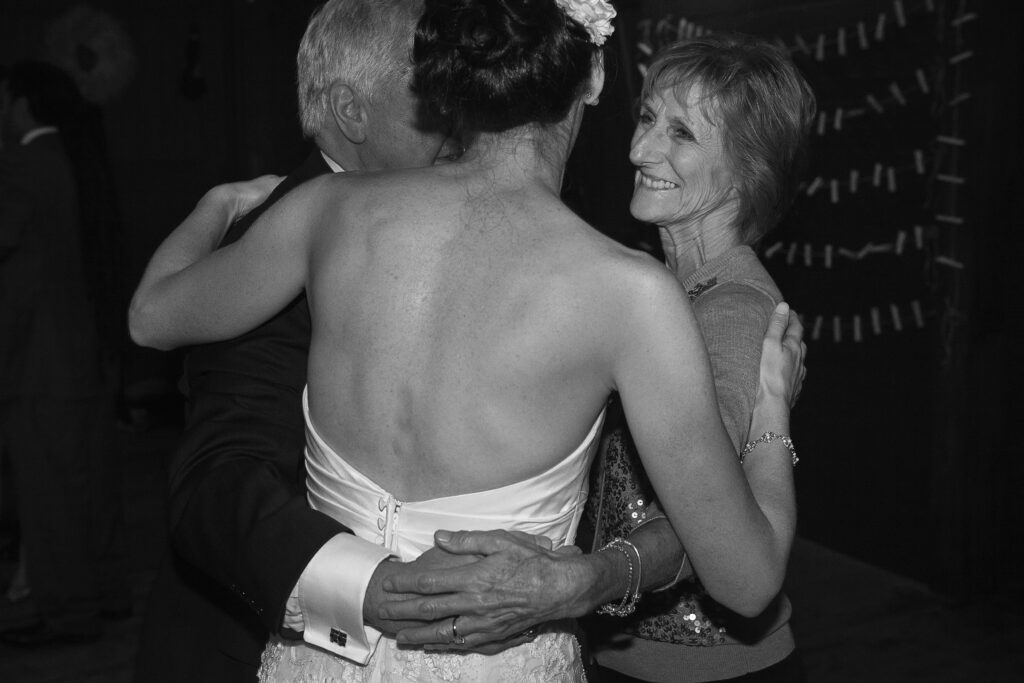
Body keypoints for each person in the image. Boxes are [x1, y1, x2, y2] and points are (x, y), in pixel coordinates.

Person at [130, 0, 803, 680]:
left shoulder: (324, 212)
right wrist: (772, 425)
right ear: (593, 76)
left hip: (321, 654)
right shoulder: (629, 294)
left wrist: (216, 205)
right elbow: (746, 582)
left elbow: (151, 317)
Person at [584, 34, 815, 682]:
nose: (639, 149)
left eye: (679, 132)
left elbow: (709, 518)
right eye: (648, 118)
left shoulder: (735, 309)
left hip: (709, 670)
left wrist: (579, 580)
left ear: (748, 170)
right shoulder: (666, 287)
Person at [0, 60, 131, 646]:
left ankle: (69, 613)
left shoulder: (22, 165)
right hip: (88, 351)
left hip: (39, 360)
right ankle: (104, 594)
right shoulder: (77, 157)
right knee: (90, 486)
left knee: (50, 492)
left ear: (21, 103)